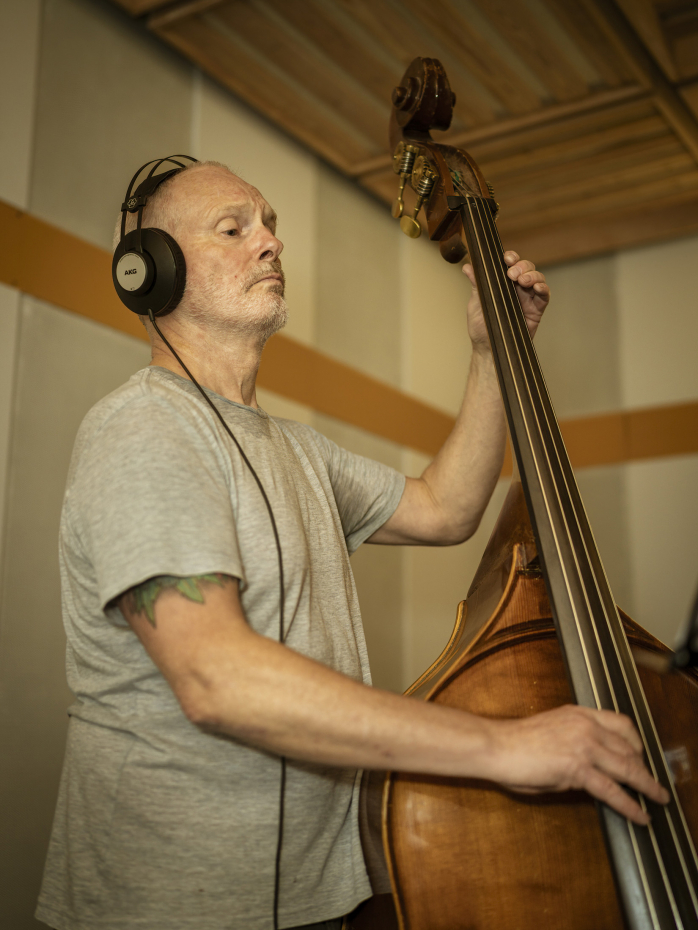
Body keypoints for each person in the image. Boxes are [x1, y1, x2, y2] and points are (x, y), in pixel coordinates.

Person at [36, 161, 668, 930]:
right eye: (233, 228)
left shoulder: (300, 450)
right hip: (165, 908)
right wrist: (505, 747)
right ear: (149, 270)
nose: (270, 242)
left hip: (318, 897)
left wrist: (490, 354)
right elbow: (215, 676)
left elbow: (445, 509)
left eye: (270, 224)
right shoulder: (142, 429)